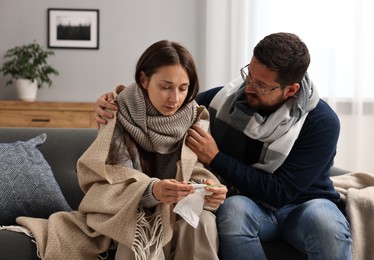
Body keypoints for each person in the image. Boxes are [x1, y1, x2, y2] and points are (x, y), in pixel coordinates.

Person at [95, 33, 352, 260]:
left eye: (261, 85)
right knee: (234, 210)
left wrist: (216, 158)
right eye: (249, 74)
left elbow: (280, 192)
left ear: (291, 90)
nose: (248, 87)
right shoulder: (224, 101)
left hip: (304, 205)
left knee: (326, 224)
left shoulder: (321, 122)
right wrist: (114, 102)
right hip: (250, 204)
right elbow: (168, 106)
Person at [16, 40, 227, 260]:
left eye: (183, 88)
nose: (175, 98)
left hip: (178, 213)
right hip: (131, 212)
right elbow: (106, 180)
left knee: (204, 222)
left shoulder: (196, 117)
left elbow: (197, 170)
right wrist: (151, 191)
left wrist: (209, 191)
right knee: (138, 230)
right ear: (144, 80)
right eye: (165, 87)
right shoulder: (116, 112)